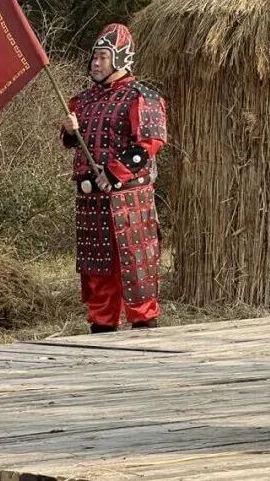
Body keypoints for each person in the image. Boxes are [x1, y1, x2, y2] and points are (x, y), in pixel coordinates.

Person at [61, 23, 167, 334]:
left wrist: (113, 173)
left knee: (135, 269)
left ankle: (144, 338)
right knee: (98, 271)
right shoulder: (83, 100)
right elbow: (77, 143)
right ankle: (101, 334)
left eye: (103, 57)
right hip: (90, 200)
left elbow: (149, 143)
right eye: (94, 57)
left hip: (128, 199)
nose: (95, 63)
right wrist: (69, 131)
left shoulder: (141, 96)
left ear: (120, 59)